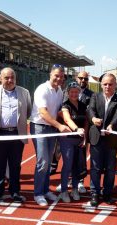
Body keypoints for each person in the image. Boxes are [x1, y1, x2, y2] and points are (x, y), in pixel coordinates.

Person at [0, 67, 32, 204]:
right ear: (1, 78)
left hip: (17, 134)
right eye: (6, 78)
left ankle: (15, 191)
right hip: (0, 134)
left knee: (15, 165)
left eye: (12, 78)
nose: (10, 80)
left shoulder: (24, 92)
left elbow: (27, 111)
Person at [30, 64, 70, 206]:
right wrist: (60, 126)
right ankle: (38, 193)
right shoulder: (42, 89)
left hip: (51, 128)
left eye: (61, 76)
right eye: (56, 75)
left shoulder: (59, 91)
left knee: (48, 161)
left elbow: (58, 111)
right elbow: (43, 112)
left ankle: (45, 189)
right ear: (50, 74)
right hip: (40, 127)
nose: (59, 78)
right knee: (43, 161)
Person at [88, 73, 117, 206]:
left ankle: (107, 193)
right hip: (96, 138)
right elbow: (90, 110)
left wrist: (111, 125)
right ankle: (95, 193)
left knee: (110, 168)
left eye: (110, 84)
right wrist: (93, 119)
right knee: (95, 168)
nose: (107, 86)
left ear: (115, 85)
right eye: (105, 84)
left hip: (111, 139)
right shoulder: (95, 96)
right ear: (101, 85)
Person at [58, 82, 88, 202]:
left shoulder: (82, 105)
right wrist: (76, 129)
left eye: (76, 92)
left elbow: (86, 122)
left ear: (79, 92)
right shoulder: (65, 105)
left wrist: (85, 137)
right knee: (68, 165)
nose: (74, 94)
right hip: (68, 139)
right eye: (72, 92)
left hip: (79, 139)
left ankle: (75, 189)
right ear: (67, 93)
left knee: (77, 166)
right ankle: (64, 191)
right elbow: (67, 119)